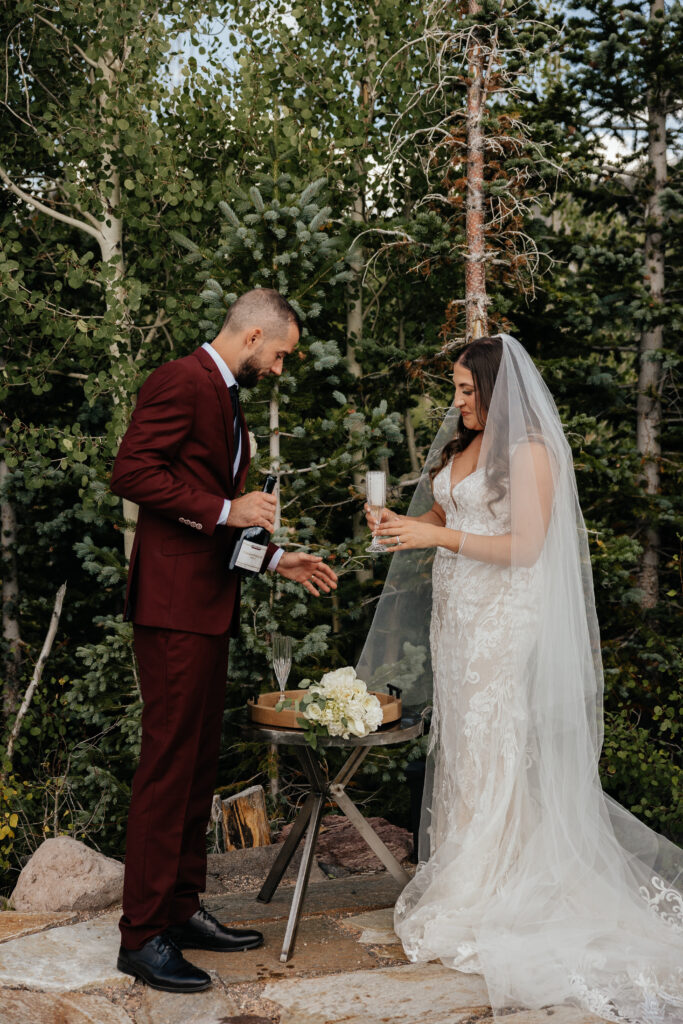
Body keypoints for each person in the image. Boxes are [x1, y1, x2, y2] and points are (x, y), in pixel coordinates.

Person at [363, 334, 683, 1023]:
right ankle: (466, 870)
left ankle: (496, 884)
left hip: (503, 618)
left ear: (497, 390)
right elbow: (446, 512)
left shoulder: (530, 452)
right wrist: (400, 524)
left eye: (466, 390)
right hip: (457, 617)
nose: (457, 401)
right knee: (464, 743)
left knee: (495, 738)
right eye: (455, 389)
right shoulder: (463, 446)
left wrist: (434, 539)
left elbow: (525, 548)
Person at [110, 288, 338, 993]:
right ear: (254, 334)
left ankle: (178, 910)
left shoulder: (224, 394)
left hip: (206, 605)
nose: (280, 367)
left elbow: (221, 521)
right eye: (281, 353)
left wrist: (276, 559)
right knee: (167, 766)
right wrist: (224, 507)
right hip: (173, 608)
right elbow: (132, 471)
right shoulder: (181, 380)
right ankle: (141, 935)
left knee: (195, 764)